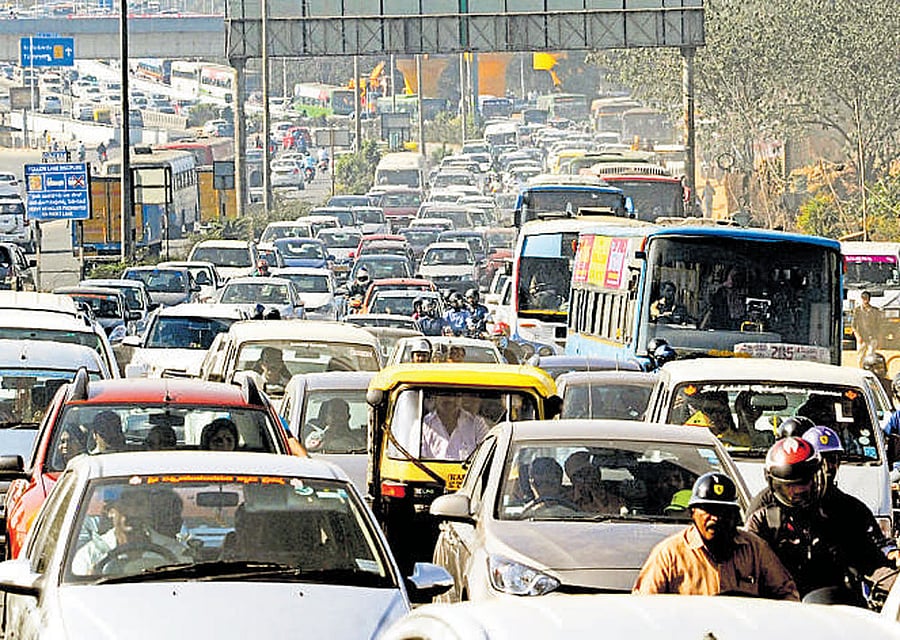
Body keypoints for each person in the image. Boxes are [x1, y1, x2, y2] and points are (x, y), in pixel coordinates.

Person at [745, 437, 894, 600]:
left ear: (818, 476)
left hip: (834, 606)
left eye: (803, 482)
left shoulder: (844, 510)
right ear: (774, 484)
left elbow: (871, 561)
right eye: (788, 486)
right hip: (779, 608)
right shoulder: (761, 517)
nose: (796, 492)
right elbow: (746, 566)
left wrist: (896, 585)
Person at [633, 472, 799, 599]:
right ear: (692, 513)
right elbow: (645, 608)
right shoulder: (668, 554)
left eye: (723, 512)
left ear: (735, 515)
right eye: (708, 510)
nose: (716, 518)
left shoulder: (756, 550)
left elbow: (787, 596)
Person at [72, 488, 190, 576]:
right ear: (110, 511)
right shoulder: (90, 555)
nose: (133, 512)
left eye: (139, 505)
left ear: (148, 510)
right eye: (126, 504)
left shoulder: (174, 550)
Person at [420, 392, 489, 460]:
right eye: (444, 394)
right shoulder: (422, 426)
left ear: (461, 398)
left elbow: (486, 456)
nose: (450, 399)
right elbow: (417, 461)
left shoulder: (477, 424)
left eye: (455, 394)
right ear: (435, 397)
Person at [852, 291, 883, 367]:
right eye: (863, 298)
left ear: (869, 299)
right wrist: (858, 336)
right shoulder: (857, 311)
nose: (865, 300)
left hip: (872, 337)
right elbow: (853, 326)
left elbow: (879, 326)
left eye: (866, 298)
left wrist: (879, 338)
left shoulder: (875, 311)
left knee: (871, 357)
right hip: (862, 338)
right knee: (860, 357)